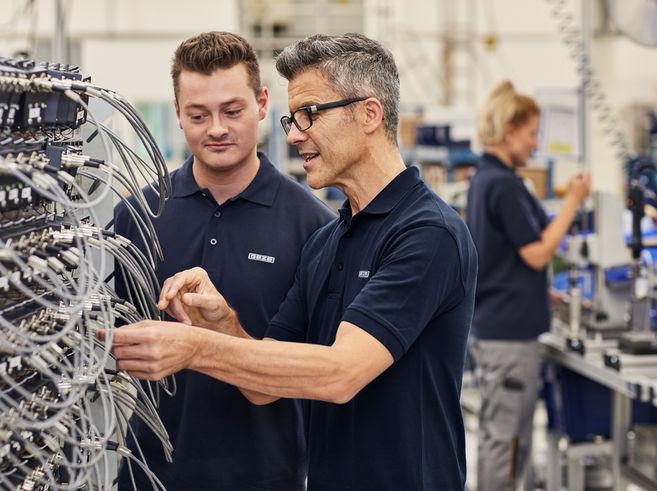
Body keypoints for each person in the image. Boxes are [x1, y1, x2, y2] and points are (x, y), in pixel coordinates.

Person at [102, 33, 478, 490]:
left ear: (369, 114)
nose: (295, 133)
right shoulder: (329, 242)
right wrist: (219, 323)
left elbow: (340, 373)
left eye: (309, 115)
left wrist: (194, 347)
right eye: (293, 118)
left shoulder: (427, 233)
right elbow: (263, 386)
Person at [112, 31, 335, 491]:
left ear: (261, 103)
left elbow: (314, 373)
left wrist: (222, 332)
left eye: (232, 111)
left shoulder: (315, 227)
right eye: (198, 114)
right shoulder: (137, 216)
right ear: (177, 113)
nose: (216, 128)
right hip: (148, 475)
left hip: (264, 477)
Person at [466, 80, 591, 491]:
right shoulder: (502, 184)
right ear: (509, 131)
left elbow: (504, 257)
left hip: (499, 328)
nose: (536, 145)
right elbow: (536, 253)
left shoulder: (487, 179)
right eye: (532, 133)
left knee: (502, 438)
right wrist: (572, 201)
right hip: (508, 336)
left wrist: (544, 292)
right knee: (507, 441)